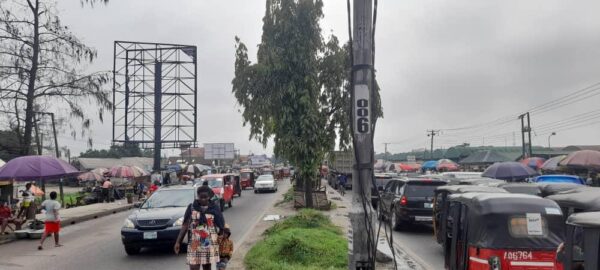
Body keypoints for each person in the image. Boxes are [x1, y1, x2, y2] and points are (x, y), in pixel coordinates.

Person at [174, 185, 225, 270]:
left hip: (209, 242)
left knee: (207, 267)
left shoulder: (214, 207)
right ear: (198, 196)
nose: (203, 199)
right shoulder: (192, 207)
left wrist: (221, 240)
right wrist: (178, 242)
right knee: (193, 266)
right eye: (201, 197)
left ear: (209, 197)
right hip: (195, 242)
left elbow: (221, 225)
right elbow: (185, 225)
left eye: (205, 197)